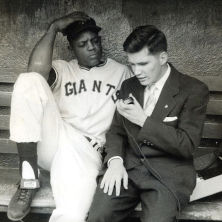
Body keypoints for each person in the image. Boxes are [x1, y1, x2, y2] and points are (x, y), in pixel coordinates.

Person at [7, 11, 130, 222]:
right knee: (29, 80)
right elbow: (34, 70)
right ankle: (29, 177)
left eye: (94, 41)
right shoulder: (64, 69)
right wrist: (53, 28)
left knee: (71, 214)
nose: (91, 47)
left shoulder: (121, 72)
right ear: (72, 48)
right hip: (56, 138)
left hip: (87, 150)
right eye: (82, 44)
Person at [87, 25, 209, 222]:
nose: (137, 71)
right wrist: (115, 162)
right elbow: (116, 132)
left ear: (162, 58)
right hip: (127, 168)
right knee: (98, 217)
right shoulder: (129, 86)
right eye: (132, 64)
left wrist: (143, 120)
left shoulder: (193, 90)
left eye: (143, 64)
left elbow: (186, 145)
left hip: (167, 176)